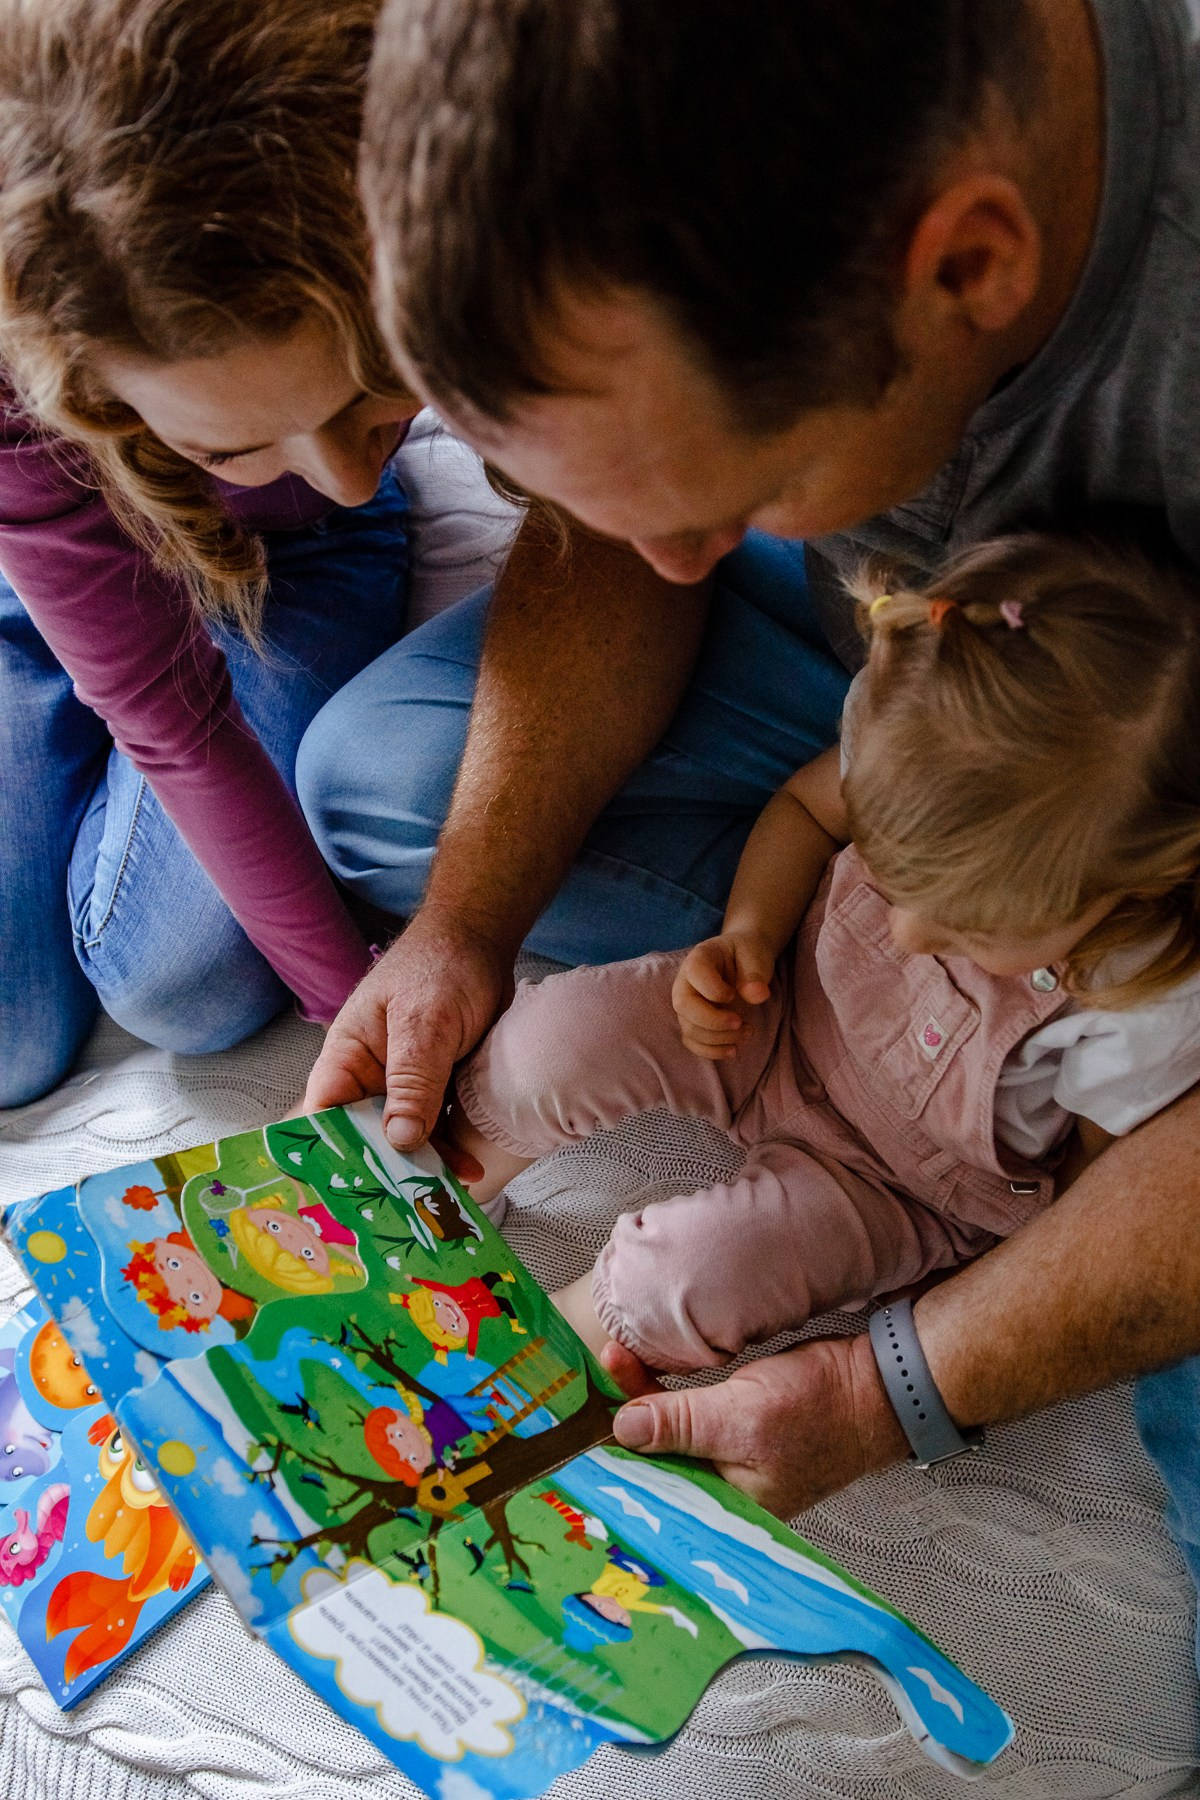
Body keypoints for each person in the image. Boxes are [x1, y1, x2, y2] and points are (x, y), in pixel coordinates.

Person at [336, 0, 1200, 1628]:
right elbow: (622, 540)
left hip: (1087, 856)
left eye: (726, 501)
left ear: (971, 265)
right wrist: (463, 931)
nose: (678, 560)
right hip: (901, 731)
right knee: (383, 797)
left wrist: (900, 1387)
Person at [445, 539, 1200, 1369]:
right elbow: (805, 811)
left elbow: (1091, 1194)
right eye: (888, 871)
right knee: (550, 1043)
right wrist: (748, 935)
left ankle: (515, 1368)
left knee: (683, 1279)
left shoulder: (1147, 1001)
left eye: (968, 931)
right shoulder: (918, 739)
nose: (908, 934)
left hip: (898, 1189)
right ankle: (427, 1198)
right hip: (777, 1015)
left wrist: (972, 1304)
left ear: (1131, 885)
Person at [0, 0, 422, 1107]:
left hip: (293, 569)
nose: (347, 473)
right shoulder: (33, 388)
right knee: (7, 1039)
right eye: (234, 444)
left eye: (374, 406)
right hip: (56, 548)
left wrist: (353, 1012)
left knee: (183, 987)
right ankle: (45, 631)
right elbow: (170, 723)